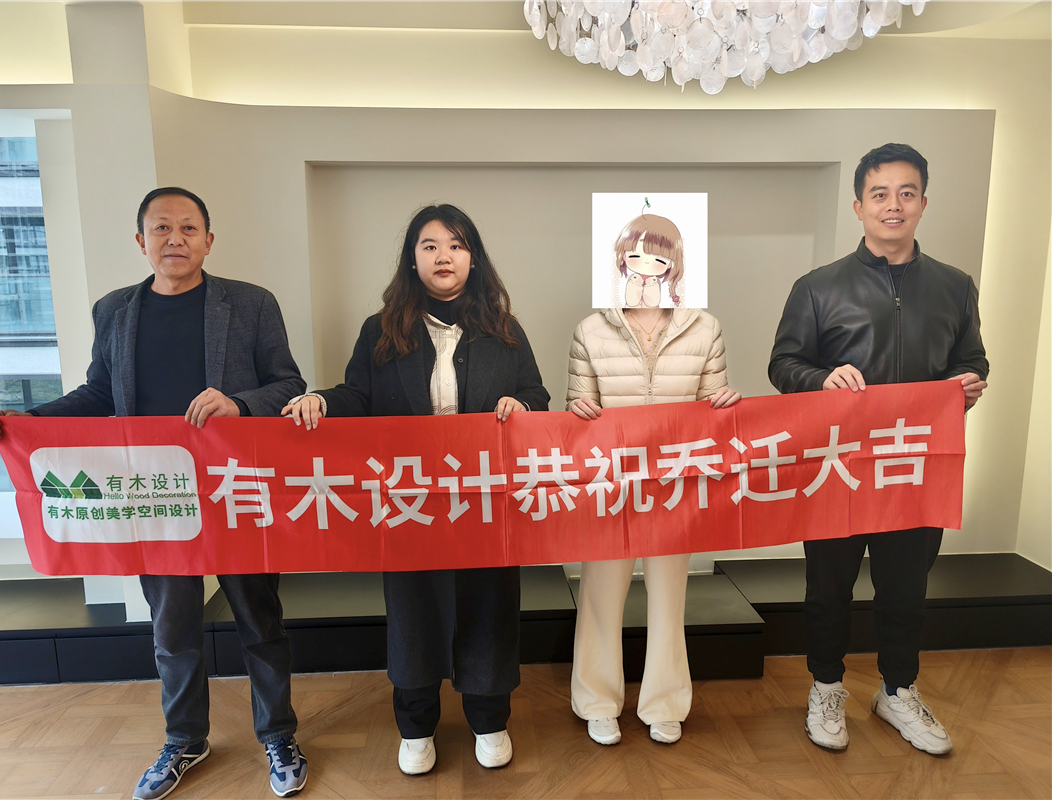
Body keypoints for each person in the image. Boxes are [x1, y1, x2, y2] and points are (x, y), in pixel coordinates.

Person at [0, 187, 310, 799]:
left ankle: (278, 735)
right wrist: (29, 422)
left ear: (209, 240)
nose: (175, 239)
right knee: (172, 630)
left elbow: (289, 384)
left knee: (259, 621)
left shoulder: (251, 303)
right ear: (141, 241)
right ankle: (185, 740)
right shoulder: (114, 310)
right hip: (157, 494)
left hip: (235, 488)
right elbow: (99, 394)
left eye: (188, 228)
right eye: (161, 228)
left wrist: (238, 404)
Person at [283, 204, 549, 775]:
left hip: (483, 502)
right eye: (429, 246)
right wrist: (322, 400)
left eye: (455, 245)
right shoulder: (381, 330)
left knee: (489, 607)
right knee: (413, 613)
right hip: (411, 501)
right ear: (412, 259)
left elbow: (537, 395)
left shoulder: (504, 329)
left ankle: (489, 718)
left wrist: (522, 405)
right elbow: (358, 396)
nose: (443, 256)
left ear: (473, 258)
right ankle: (416, 723)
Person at [768, 143, 989, 756]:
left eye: (906, 193)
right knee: (828, 586)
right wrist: (821, 380)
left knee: (905, 586)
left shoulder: (954, 287)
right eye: (881, 194)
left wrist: (969, 383)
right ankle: (826, 687)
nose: (894, 205)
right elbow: (783, 364)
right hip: (836, 466)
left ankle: (897, 690)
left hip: (914, 465)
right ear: (859, 206)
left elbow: (972, 359)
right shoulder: (818, 287)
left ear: (923, 203)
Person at [566, 218, 740, 746]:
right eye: (635, 256)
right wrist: (578, 408)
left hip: (674, 482)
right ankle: (598, 701)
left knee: (669, 595)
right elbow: (578, 408)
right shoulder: (590, 329)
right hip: (611, 480)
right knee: (600, 593)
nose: (646, 267)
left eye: (658, 258)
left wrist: (723, 403)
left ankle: (664, 702)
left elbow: (711, 406)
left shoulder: (704, 327)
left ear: (676, 264)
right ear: (619, 261)